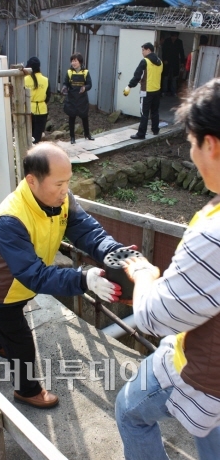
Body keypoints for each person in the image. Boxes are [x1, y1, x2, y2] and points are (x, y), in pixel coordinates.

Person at [0, 142, 134, 409]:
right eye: (58, 184)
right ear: (32, 181)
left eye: (68, 182)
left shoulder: (62, 200)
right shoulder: (11, 219)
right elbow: (33, 274)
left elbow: (88, 232)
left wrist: (114, 252)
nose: (65, 191)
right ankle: (27, 390)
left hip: (19, 287)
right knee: (21, 341)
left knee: (7, 329)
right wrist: (84, 280)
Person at [115, 77, 220, 459]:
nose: (191, 155)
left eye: (191, 144)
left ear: (210, 144)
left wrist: (145, 276)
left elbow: (153, 317)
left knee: (130, 410)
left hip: (200, 369)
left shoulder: (215, 236)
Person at [123, 42, 163, 140]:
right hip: (157, 90)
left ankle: (141, 134)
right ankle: (155, 130)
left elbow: (137, 76)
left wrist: (129, 86)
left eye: (143, 50)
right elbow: (155, 75)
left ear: (148, 50)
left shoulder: (145, 61)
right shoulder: (160, 62)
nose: (142, 52)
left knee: (144, 113)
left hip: (146, 91)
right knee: (155, 111)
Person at [62, 52, 94, 144]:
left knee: (85, 117)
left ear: (80, 62)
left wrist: (84, 88)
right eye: (72, 61)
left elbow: (89, 84)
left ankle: (87, 134)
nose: (73, 63)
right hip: (71, 98)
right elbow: (65, 83)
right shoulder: (69, 72)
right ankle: (72, 137)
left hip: (82, 99)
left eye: (75, 61)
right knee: (71, 118)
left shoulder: (85, 72)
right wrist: (64, 88)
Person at [24, 57, 51, 144]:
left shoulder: (25, 79)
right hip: (42, 110)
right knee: (37, 136)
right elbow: (48, 96)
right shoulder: (45, 80)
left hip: (28, 110)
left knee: (28, 135)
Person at [162, 32, 185, 97]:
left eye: (175, 36)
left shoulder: (179, 42)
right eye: (172, 36)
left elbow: (181, 52)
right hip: (167, 61)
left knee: (174, 77)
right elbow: (164, 51)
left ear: (177, 36)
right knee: (165, 77)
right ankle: (164, 91)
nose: (174, 37)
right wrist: (164, 60)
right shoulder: (167, 41)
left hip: (175, 61)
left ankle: (174, 92)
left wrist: (182, 62)